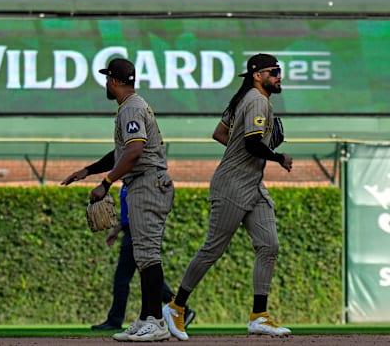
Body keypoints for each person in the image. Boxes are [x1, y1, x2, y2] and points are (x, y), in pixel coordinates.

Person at [163, 53, 293, 341]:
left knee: (269, 245)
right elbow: (251, 143)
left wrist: (244, 148)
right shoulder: (257, 100)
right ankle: (175, 307)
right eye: (273, 71)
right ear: (257, 75)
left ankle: (259, 316)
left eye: (279, 70)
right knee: (212, 249)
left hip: (252, 185)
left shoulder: (244, 98)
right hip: (232, 185)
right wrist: (278, 156)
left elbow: (221, 133)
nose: (279, 75)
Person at [61, 58, 175, 342]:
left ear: (113, 81)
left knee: (147, 254)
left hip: (148, 182)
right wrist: (88, 170)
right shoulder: (132, 106)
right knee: (142, 255)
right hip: (145, 181)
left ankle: (157, 322)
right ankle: (146, 317)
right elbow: (123, 153)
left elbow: (135, 151)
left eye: (106, 79)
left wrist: (105, 183)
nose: (106, 84)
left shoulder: (132, 108)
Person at [89, 185, 196, 331]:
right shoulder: (127, 184)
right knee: (148, 277)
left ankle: (115, 320)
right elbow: (128, 215)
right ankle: (180, 309)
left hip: (138, 231)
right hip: (131, 231)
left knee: (124, 278)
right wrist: (116, 231)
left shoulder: (138, 182)